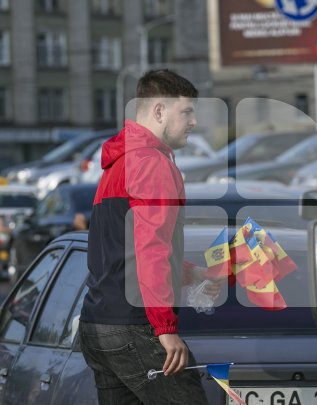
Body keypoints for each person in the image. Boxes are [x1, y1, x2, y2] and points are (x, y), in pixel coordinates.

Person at [79, 69, 218, 404]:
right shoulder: (152, 164)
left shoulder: (119, 164)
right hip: (136, 325)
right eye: (186, 112)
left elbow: (125, 248)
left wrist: (193, 274)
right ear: (159, 111)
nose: (194, 122)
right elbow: (151, 250)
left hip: (98, 324)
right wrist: (165, 329)